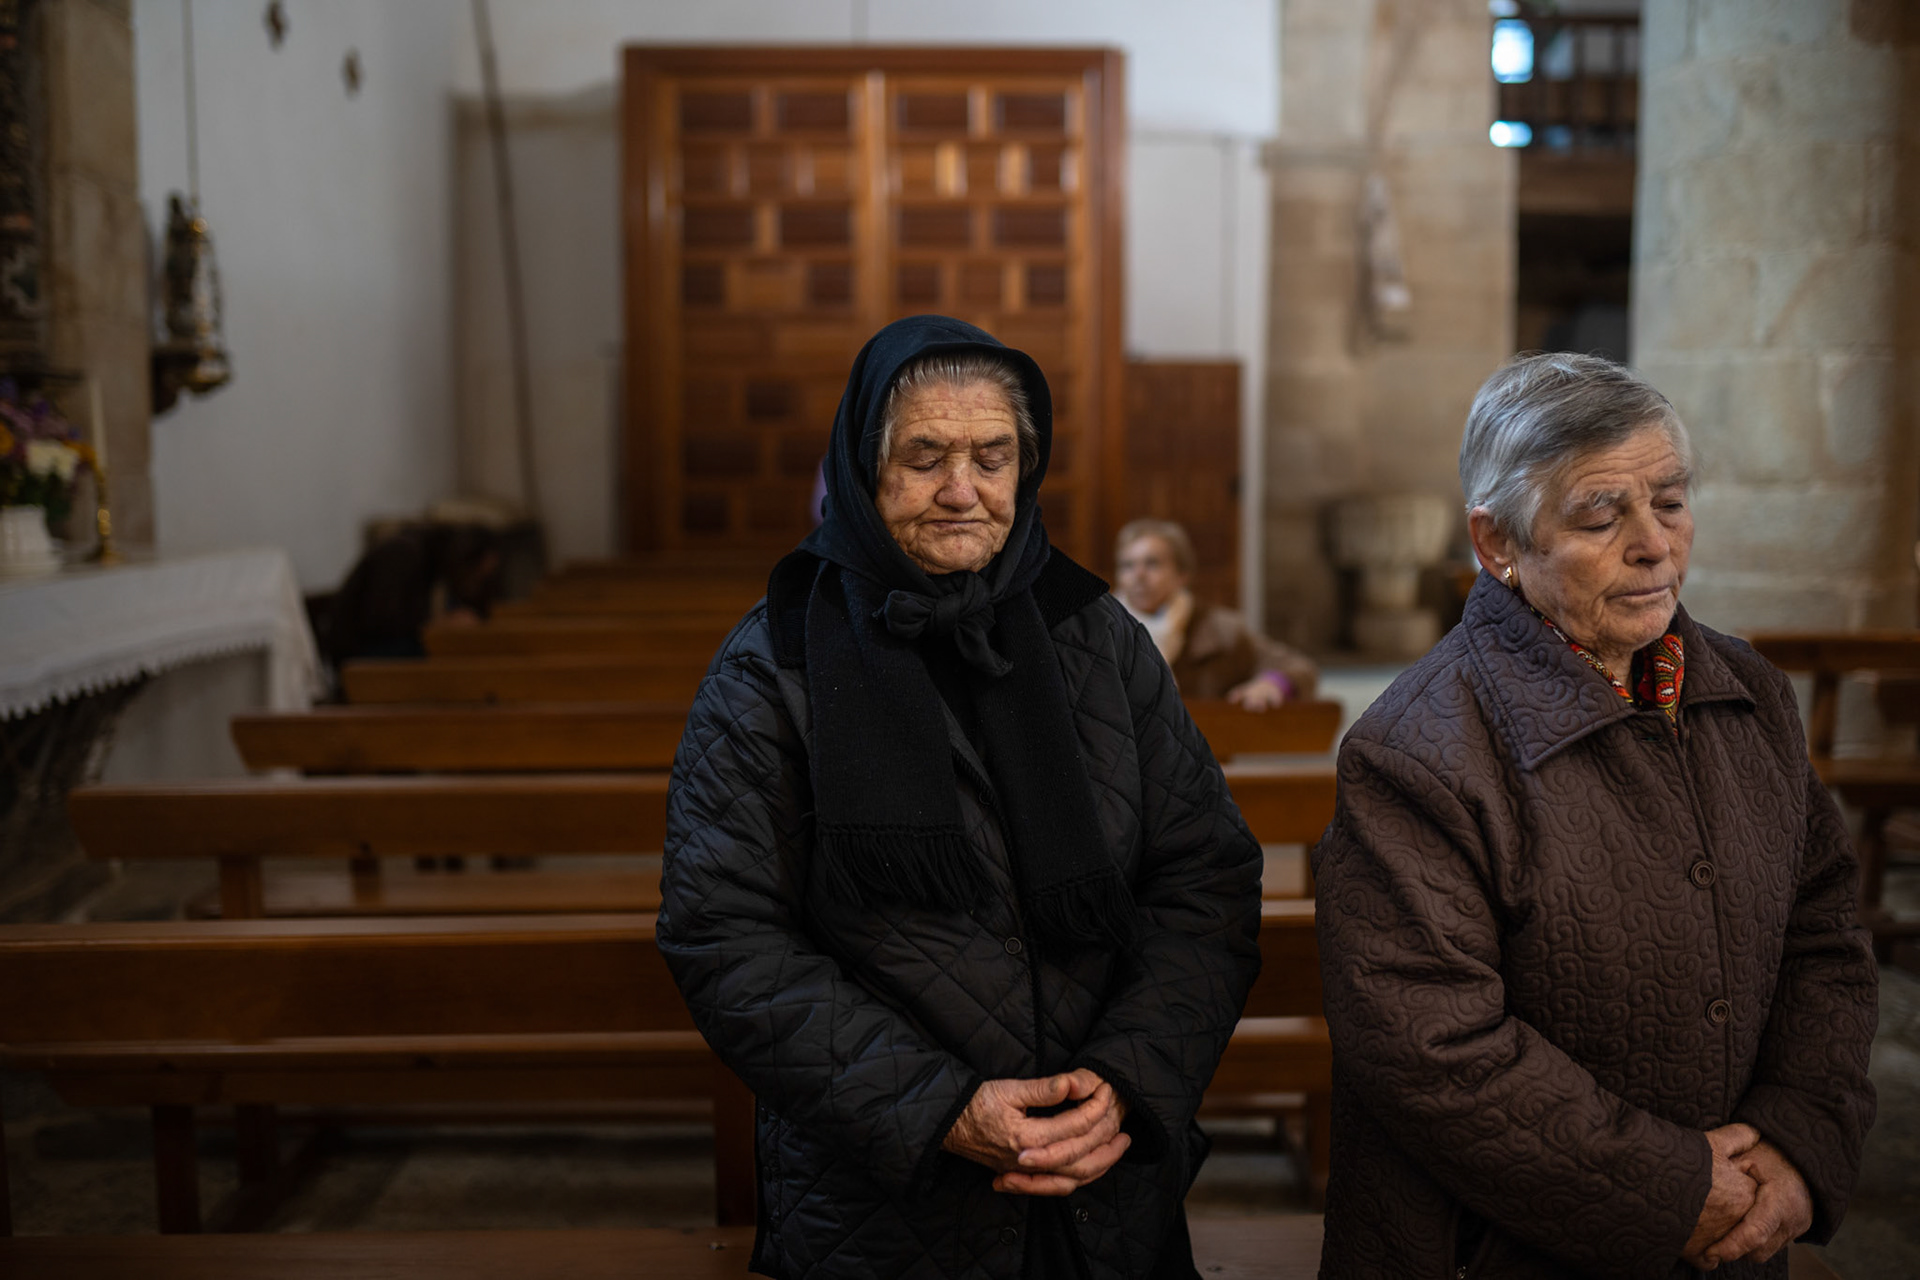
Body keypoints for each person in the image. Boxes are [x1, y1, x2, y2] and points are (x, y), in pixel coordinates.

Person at [658, 315, 1264, 1278]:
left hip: (1102, 1189)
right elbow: (724, 934)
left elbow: (1207, 878)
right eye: (924, 456)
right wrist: (937, 1107)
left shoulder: (1096, 636)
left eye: (993, 456)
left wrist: (1129, 1083)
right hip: (884, 1196)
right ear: (864, 469)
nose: (962, 491)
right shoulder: (771, 663)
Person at [1312, 352, 1878, 1279]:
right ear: (1497, 544)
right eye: (1600, 514)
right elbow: (1433, 1047)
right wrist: (1672, 1188)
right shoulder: (1412, 752)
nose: (1654, 543)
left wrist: (1796, 1141)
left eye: (1670, 500)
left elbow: (1823, 936)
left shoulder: (1752, 695)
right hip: (1493, 1251)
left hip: (1736, 1236)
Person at [1113, 518, 1318, 709]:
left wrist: (1273, 683)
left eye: (1152, 563)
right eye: (1127, 565)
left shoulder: (1221, 630)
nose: (1138, 575)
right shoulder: (1097, 629)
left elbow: (1299, 667)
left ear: (1182, 575)